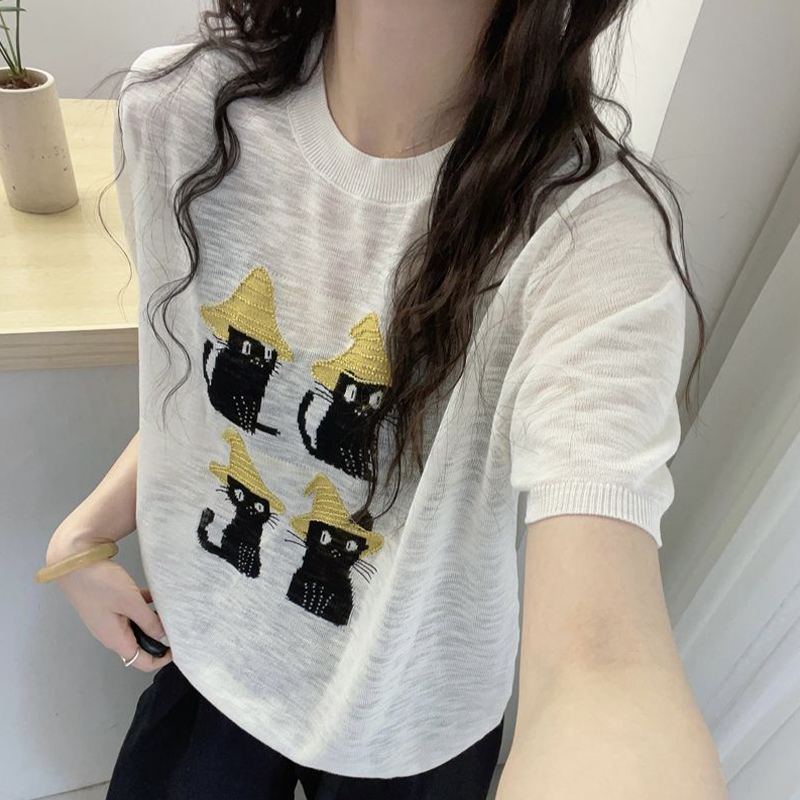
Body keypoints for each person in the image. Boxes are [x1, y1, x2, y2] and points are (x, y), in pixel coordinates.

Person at [41, 2, 728, 798]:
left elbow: (602, 660)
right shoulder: (178, 112)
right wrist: (87, 530)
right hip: (216, 648)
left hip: (413, 704)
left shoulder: (588, 234)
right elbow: (213, 399)